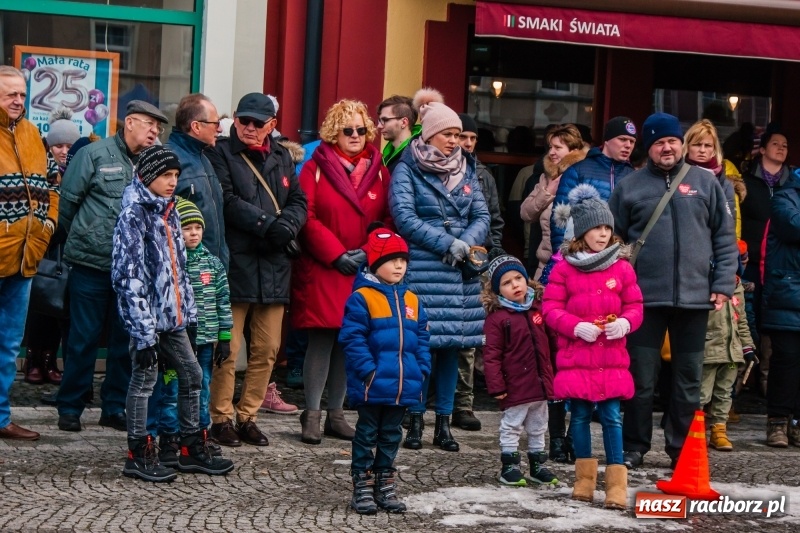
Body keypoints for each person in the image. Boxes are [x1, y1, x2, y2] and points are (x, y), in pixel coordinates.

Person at [609, 112, 738, 470]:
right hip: (642, 300)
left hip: (696, 300)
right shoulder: (629, 187)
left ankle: (681, 449)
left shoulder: (706, 182)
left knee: (688, 381)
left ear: (681, 144)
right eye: (659, 142)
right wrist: (617, 287)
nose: (667, 147)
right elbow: (612, 240)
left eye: (672, 141)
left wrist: (722, 284)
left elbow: (724, 238)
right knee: (640, 378)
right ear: (649, 147)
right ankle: (634, 446)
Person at [111, 145, 234, 482]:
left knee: (192, 376)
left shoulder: (172, 211)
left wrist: (188, 314)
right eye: (166, 175)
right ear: (148, 175)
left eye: (176, 175)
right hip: (148, 321)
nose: (172, 181)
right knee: (144, 381)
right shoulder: (133, 215)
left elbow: (179, 271)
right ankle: (138, 453)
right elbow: (127, 276)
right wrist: (143, 332)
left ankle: (190, 446)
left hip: (174, 319)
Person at [57, 100, 168, 433]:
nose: (155, 131)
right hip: (91, 265)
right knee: (83, 339)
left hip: (133, 272)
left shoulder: (153, 163)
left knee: (125, 342)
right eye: (149, 124)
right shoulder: (93, 154)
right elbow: (67, 205)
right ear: (130, 122)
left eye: (158, 127)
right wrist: (89, 237)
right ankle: (71, 406)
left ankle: (114, 406)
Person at [389, 88, 490, 452]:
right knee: (422, 349)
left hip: (460, 273)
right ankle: (415, 420)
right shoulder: (407, 168)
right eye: (448, 133)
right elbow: (404, 217)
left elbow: (482, 214)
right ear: (430, 133)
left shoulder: (467, 168)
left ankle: (444, 424)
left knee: (452, 348)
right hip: (425, 268)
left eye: (458, 134)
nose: (455, 140)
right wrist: (448, 243)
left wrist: (466, 243)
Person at [206, 93, 307, 447]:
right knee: (227, 349)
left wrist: (288, 226)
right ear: (235, 119)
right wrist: (268, 225)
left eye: (257, 123)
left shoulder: (282, 156)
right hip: (236, 263)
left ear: (272, 125)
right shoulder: (220, 152)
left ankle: (248, 416)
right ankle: (220, 417)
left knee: (267, 349)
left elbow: (299, 200)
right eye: (243, 120)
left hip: (274, 265)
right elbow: (226, 199)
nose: (249, 127)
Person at [292, 99, 391, 445]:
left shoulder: (379, 169)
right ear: (334, 132)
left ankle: (336, 414)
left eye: (361, 129)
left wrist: (368, 251)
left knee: (349, 342)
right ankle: (312, 413)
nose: (355, 135)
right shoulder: (315, 167)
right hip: (325, 266)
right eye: (347, 129)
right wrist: (335, 255)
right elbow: (307, 215)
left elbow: (388, 218)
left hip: (361, 267)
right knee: (321, 341)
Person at [543, 184, 643, 508]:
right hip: (577, 357)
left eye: (607, 228)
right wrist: (574, 326)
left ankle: (616, 485)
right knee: (580, 417)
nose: (603, 234)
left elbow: (635, 306)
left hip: (611, 358)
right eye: (596, 228)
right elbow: (551, 309)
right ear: (581, 232)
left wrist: (625, 323)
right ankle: (584, 480)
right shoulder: (564, 268)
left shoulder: (622, 267)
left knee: (612, 417)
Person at [339, 227, 431, 515]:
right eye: (392, 260)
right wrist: (368, 371)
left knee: (392, 434)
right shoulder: (363, 297)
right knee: (367, 433)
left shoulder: (412, 300)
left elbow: (423, 338)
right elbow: (352, 339)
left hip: (403, 384)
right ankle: (363, 485)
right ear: (375, 263)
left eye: (403, 260)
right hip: (373, 384)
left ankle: (385, 483)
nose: (399, 266)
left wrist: (421, 369)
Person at [144, 197, 234, 466]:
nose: (193, 233)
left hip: (205, 341)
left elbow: (223, 301)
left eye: (197, 228)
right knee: (171, 390)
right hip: (178, 341)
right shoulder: (172, 263)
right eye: (187, 228)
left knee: (202, 387)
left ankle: (198, 436)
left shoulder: (213, 264)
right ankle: (169, 437)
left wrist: (224, 337)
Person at [0, 66, 55, 441]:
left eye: (22, 94)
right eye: (10, 94)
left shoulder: (33, 134)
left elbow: (53, 185)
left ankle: (1, 417)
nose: (18, 100)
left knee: (8, 347)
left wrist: (47, 227)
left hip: (24, 260)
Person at [450, 112, 505, 433]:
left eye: (472, 138)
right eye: (463, 137)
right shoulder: (433, 170)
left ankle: (463, 403)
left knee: (468, 338)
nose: (468, 143)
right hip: (443, 258)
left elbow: (494, 219)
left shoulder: (483, 175)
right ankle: (425, 403)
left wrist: (490, 250)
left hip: (476, 262)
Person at [482, 253, 557, 487]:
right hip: (514, 385)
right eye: (507, 282)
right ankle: (510, 466)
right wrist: (496, 386)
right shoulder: (497, 318)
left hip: (540, 382)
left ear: (527, 280)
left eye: (518, 278)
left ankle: (538, 464)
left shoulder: (538, 309)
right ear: (497, 290)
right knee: (512, 425)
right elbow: (491, 355)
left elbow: (552, 344)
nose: (515, 285)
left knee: (538, 425)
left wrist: (556, 374)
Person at [541, 116, 637, 284]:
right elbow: (560, 219)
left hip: (618, 263)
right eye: (622, 139)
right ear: (607, 140)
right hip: (580, 260)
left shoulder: (634, 177)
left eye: (632, 141)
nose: (628, 145)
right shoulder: (579, 170)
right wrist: (563, 257)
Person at [23, 107, 80, 386]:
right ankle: (33, 359)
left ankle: (50, 359)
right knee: (40, 301)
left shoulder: (78, 169)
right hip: (42, 242)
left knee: (58, 302)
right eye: (58, 145)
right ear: (49, 145)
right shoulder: (41, 167)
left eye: (69, 146)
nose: (64, 151)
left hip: (66, 246)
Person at [740, 129, 791, 396]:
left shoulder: (792, 185)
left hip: (780, 264)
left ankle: (767, 384)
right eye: (775, 143)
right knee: (746, 321)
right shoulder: (747, 182)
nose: (781, 148)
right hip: (749, 262)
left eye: (785, 145)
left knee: (773, 323)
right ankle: (740, 384)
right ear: (762, 149)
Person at [166, 93, 229, 268]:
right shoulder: (169, 160)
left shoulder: (204, 159)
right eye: (215, 123)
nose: (219, 129)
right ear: (196, 126)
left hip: (211, 269)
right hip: (186, 269)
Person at [761, 168, 800, 448]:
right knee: (786, 360)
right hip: (787, 292)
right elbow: (793, 226)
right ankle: (777, 421)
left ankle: (797, 423)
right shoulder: (785, 197)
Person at [520, 124, 586, 281]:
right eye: (550, 147)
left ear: (573, 151)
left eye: (558, 147)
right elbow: (525, 213)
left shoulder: (583, 176)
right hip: (545, 264)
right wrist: (548, 191)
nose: (551, 152)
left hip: (576, 264)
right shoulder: (546, 177)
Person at [701, 273, 755, 450]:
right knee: (702, 394)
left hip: (732, 350)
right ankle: (695, 430)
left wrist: (747, 346)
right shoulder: (705, 281)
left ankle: (719, 429)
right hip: (708, 347)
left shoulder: (737, 285)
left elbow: (742, 319)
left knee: (725, 393)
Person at [376, 95, 420, 173]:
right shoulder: (387, 156)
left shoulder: (418, 156)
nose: (379, 126)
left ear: (404, 122)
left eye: (385, 120)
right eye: (379, 121)